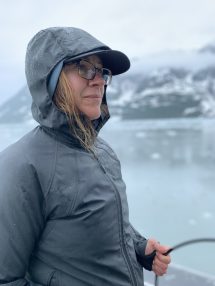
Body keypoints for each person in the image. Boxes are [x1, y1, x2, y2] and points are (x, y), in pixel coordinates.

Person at [0, 27, 171, 286]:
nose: (99, 80)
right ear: (51, 79)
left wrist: (139, 247)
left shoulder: (102, 151)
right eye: (84, 68)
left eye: (102, 71)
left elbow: (101, 223)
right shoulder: (21, 166)